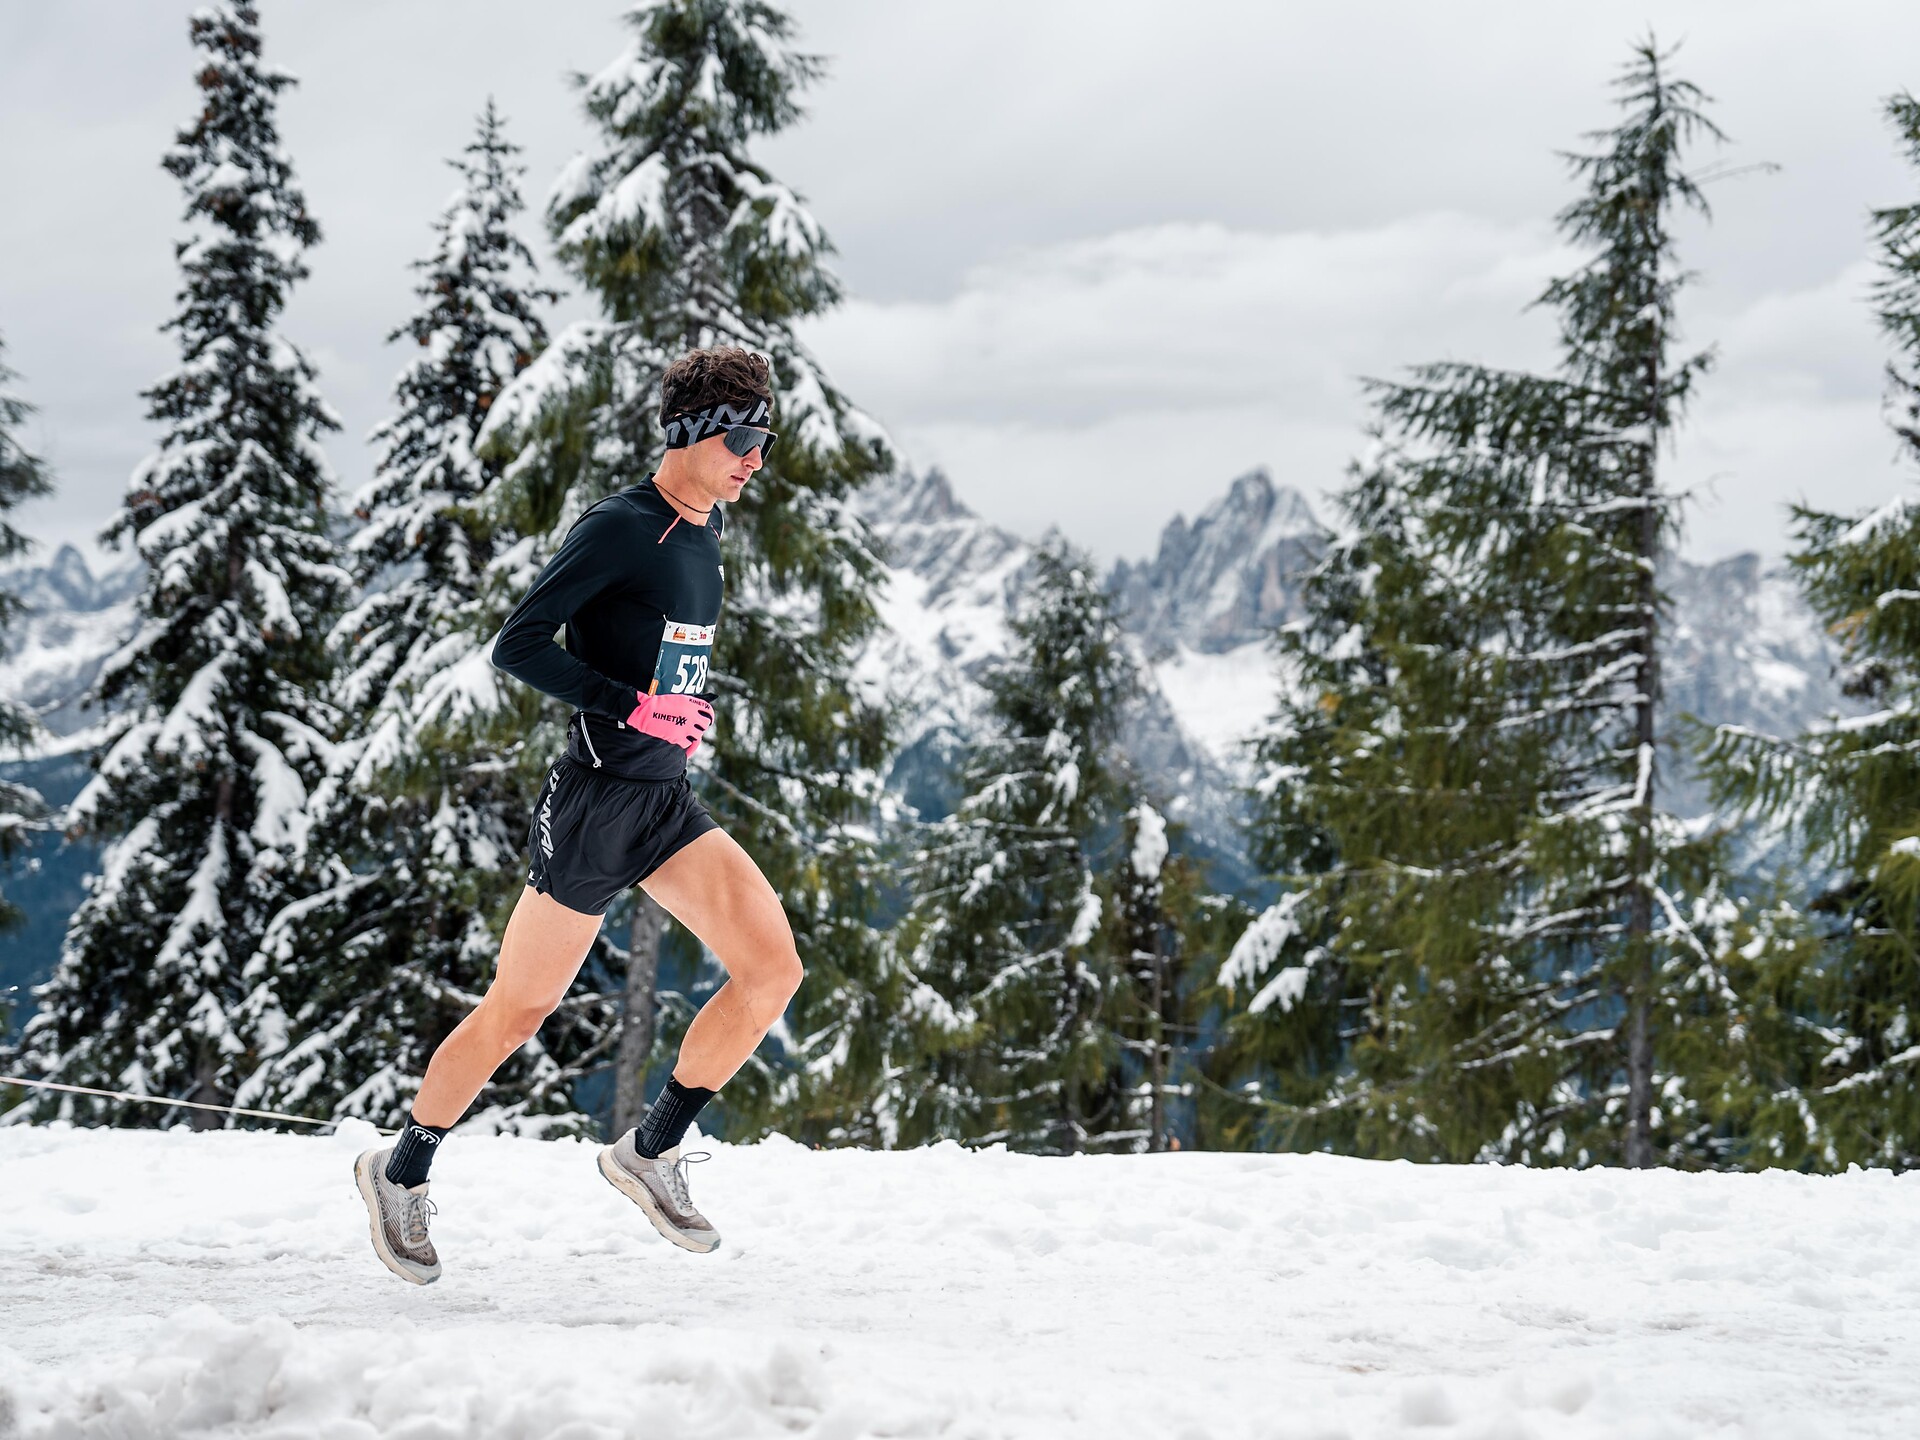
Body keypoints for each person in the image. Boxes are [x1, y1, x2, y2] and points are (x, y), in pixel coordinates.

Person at [353, 346, 803, 1285]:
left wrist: (680, 712)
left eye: (764, 440)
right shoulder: (619, 528)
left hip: (664, 802)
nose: (755, 459)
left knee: (771, 971)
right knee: (519, 1009)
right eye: (742, 438)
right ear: (687, 434)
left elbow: (662, 660)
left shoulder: (704, 534)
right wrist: (636, 709)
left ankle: (649, 1151)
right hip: (595, 805)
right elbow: (516, 645)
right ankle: (400, 1173)